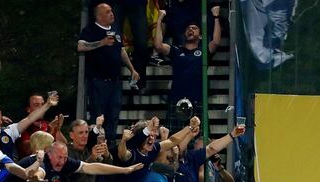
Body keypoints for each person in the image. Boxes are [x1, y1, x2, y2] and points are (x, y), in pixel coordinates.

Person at [78, 3, 139, 147]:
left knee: (114, 115)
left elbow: (121, 51)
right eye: (107, 12)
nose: (112, 13)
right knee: (99, 116)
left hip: (115, 81)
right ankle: (95, 146)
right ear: (99, 16)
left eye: (111, 10)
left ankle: (110, 147)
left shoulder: (115, 29)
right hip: (99, 81)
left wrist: (132, 69)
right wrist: (102, 43)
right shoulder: (91, 29)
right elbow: (81, 46)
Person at [154, 7, 221, 130]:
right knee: (174, 141)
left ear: (200, 35)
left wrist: (216, 17)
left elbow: (216, 42)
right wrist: (159, 20)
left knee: (199, 141)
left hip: (197, 100)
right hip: (177, 99)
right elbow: (158, 46)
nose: (191, 30)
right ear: (184, 33)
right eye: (188, 28)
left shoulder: (204, 51)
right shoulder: (176, 50)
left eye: (194, 28)